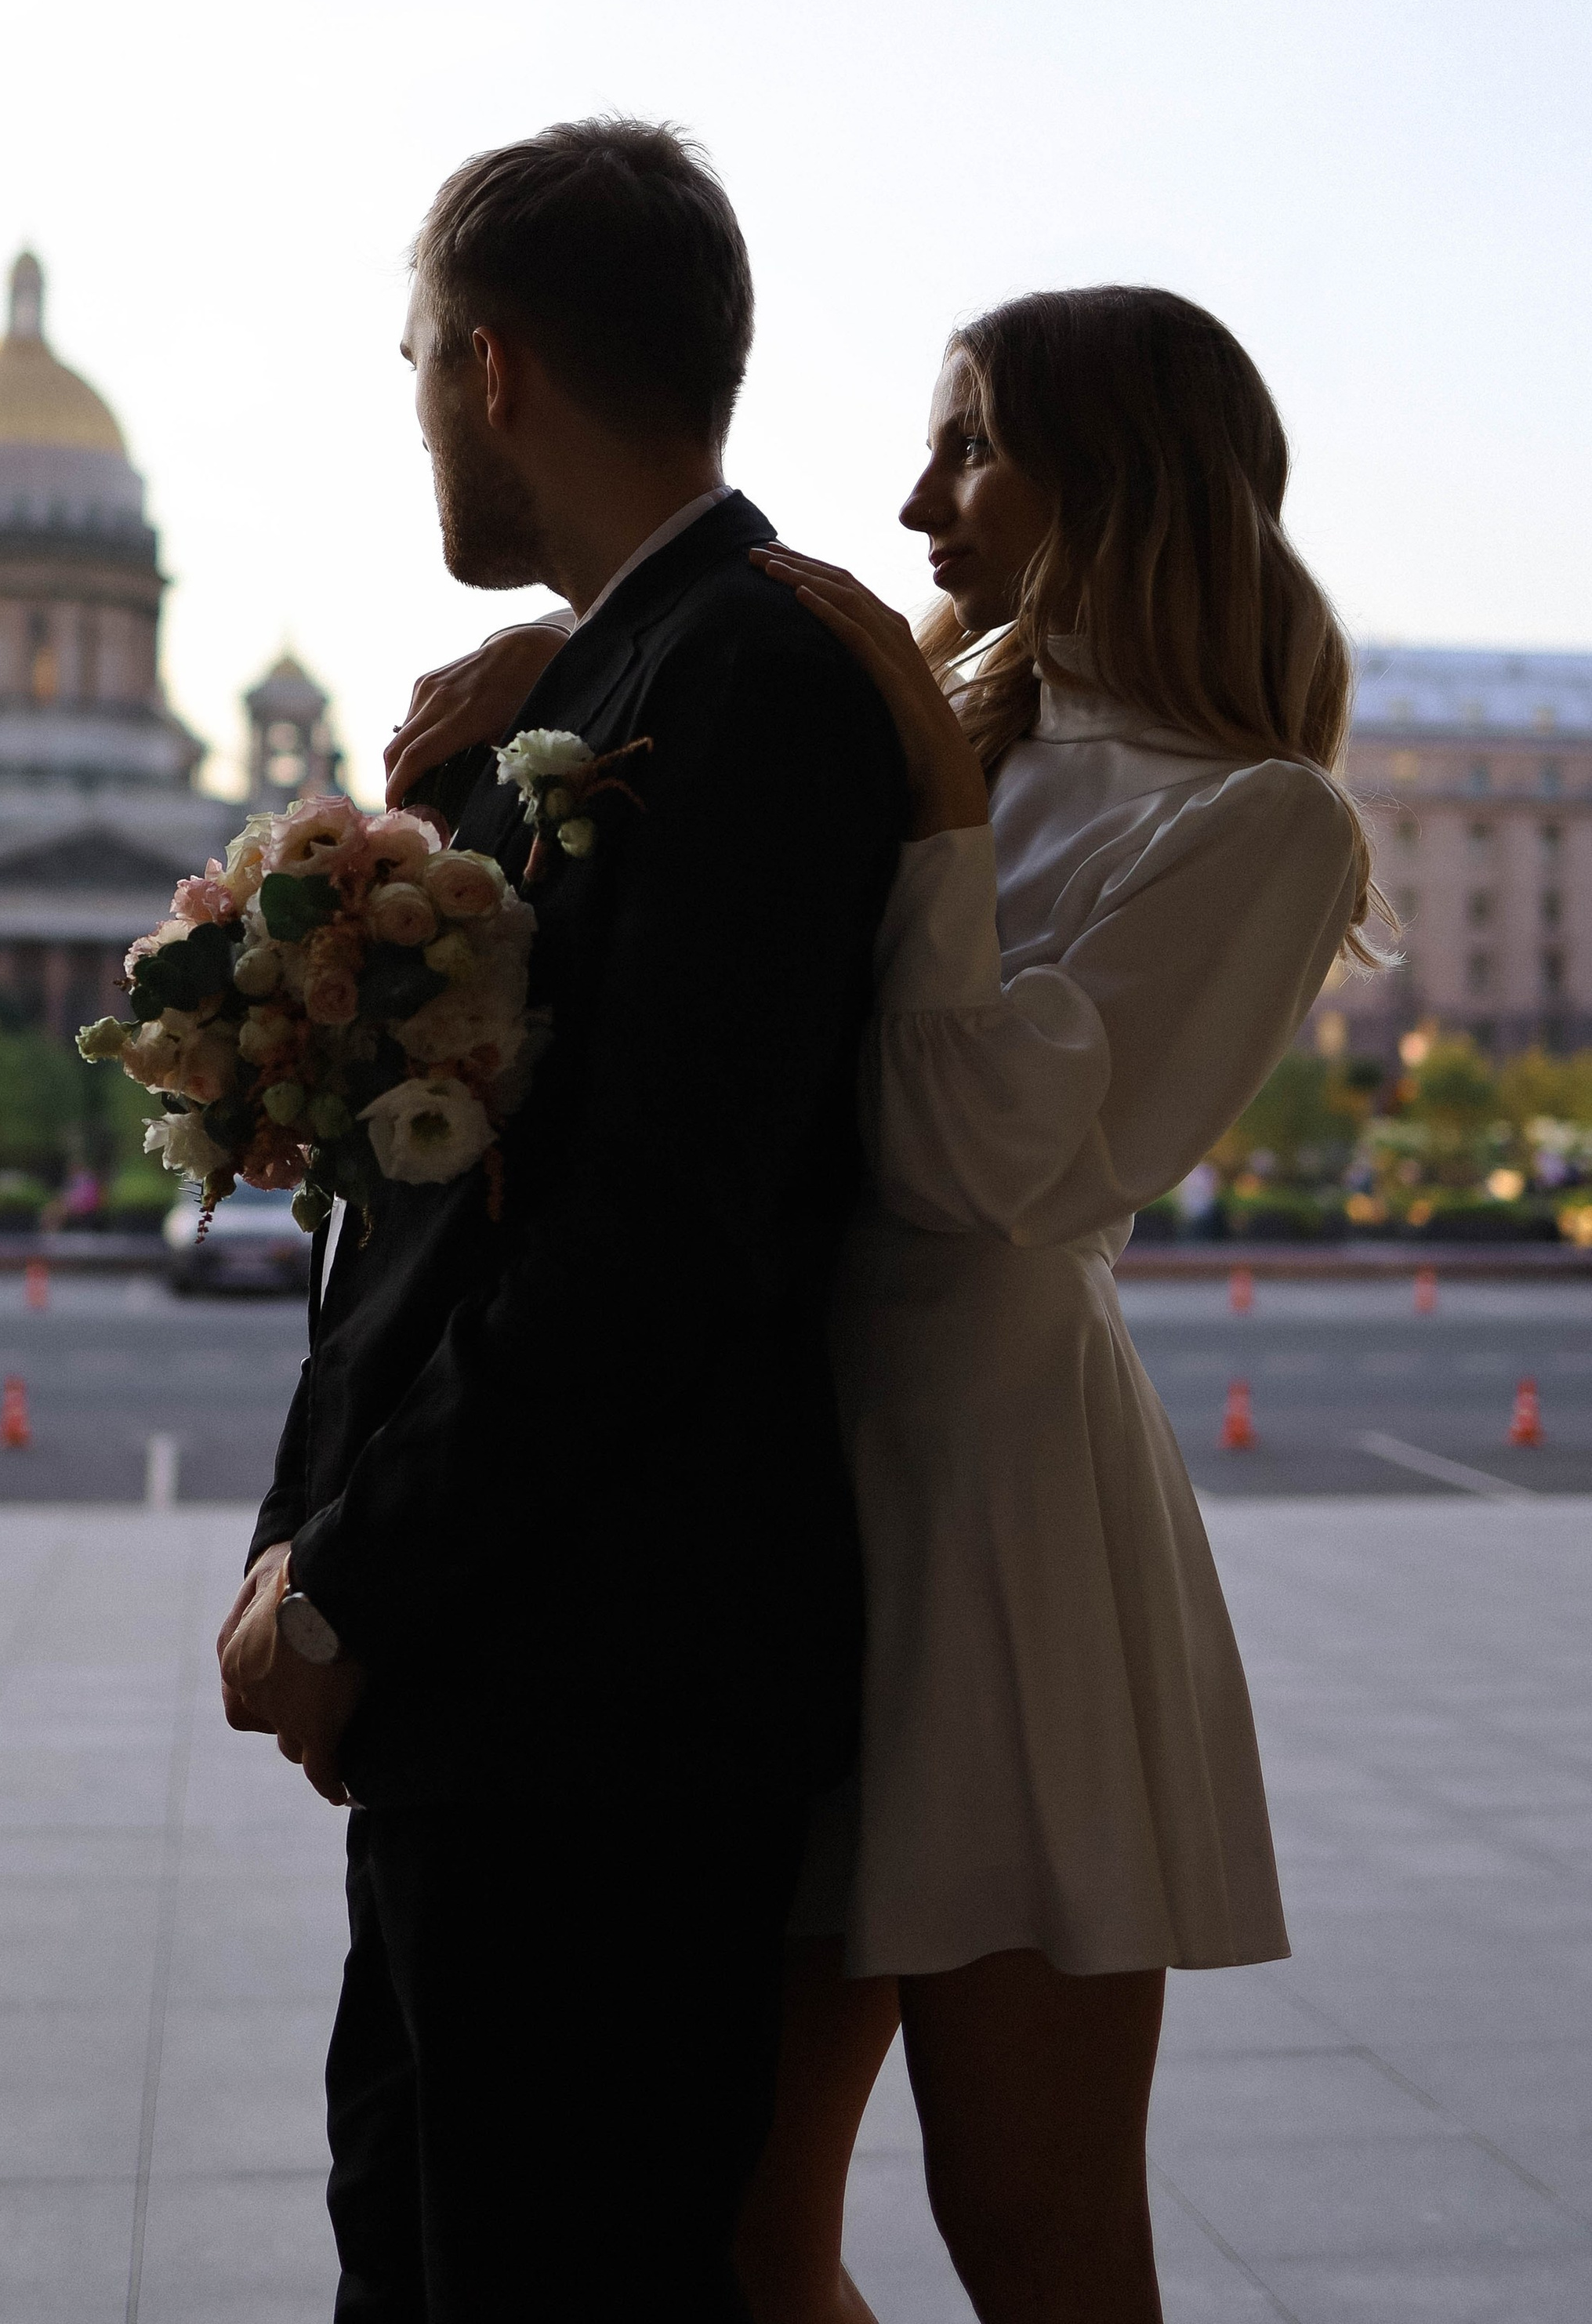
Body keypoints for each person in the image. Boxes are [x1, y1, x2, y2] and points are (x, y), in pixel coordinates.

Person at [401, 284, 1376, 2324]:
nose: (916, 495)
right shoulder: (941, 734)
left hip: (1005, 1538)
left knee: (1034, 2240)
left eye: (970, 447)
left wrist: (936, 806)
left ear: (1112, 474)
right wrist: (575, 684)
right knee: (745, 2239)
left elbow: (980, 1166)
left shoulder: (1261, 819)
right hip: (786, 1520)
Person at [216, 117, 907, 2323]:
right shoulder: (611, 678)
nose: (420, 399)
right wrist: (320, 1553)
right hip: (503, 1704)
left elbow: (652, 1242)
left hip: (602, 1719)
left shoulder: (742, 689)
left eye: (419, 354)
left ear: (492, 369)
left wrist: (350, 1580)